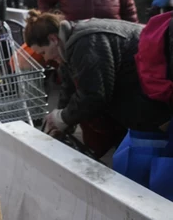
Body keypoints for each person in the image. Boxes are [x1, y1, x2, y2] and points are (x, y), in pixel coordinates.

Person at [24, 10, 170, 157]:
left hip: (150, 98)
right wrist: (59, 118)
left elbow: (93, 95)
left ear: (53, 39)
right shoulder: (69, 41)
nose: (47, 58)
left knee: (146, 159)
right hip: (139, 91)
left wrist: (63, 118)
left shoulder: (85, 43)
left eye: (43, 52)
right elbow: (69, 85)